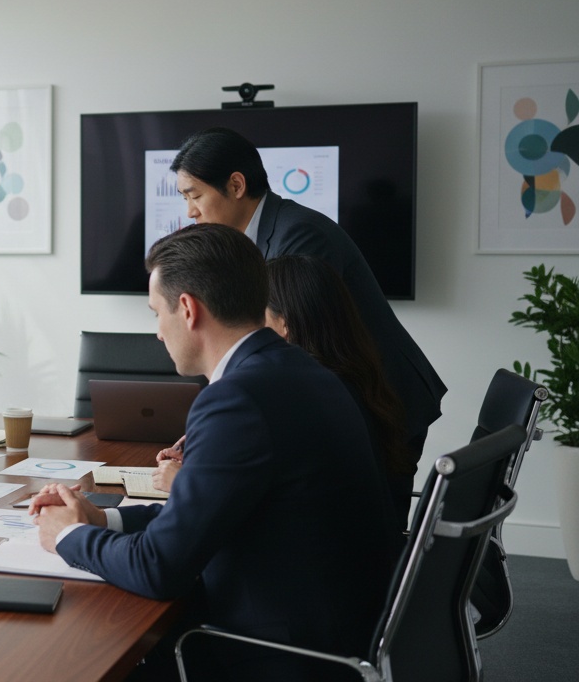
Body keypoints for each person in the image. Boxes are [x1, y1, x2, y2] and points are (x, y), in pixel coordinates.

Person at [30, 224, 399, 681]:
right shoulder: (300, 368)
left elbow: (159, 568)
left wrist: (67, 537)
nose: (158, 333)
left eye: (156, 313)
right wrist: (102, 518)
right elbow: (212, 513)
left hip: (271, 653)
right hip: (338, 629)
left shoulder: (236, 399)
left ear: (187, 309)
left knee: (77, 655)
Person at [170, 126, 446, 469]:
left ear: (236, 185)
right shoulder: (253, 238)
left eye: (194, 195)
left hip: (379, 402)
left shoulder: (299, 235)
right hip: (347, 398)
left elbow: (290, 346)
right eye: (184, 199)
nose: (190, 212)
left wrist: (221, 423)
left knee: (367, 521)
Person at [152, 255, 417, 524]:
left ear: (285, 324)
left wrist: (184, 482)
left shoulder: (301, 400)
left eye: (256, 317)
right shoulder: (345, 384)